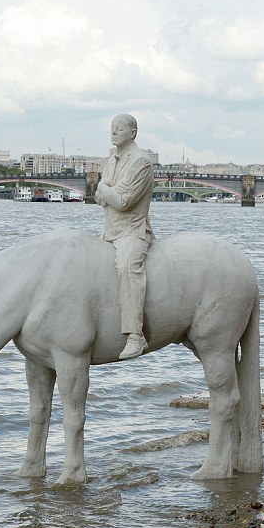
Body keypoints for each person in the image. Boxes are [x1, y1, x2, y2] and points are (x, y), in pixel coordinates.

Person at [95, 114, 155, 359]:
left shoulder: (141, 161)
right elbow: (101, 198)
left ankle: (135, 335)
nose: (114, 131)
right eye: (112, 128)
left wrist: (103, 188)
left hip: (132, 232)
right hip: (109, 232)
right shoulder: (112, 159)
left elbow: (122, 201)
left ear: (133, 133)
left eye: (119, 128)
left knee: (128, 269)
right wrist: (106, 190)